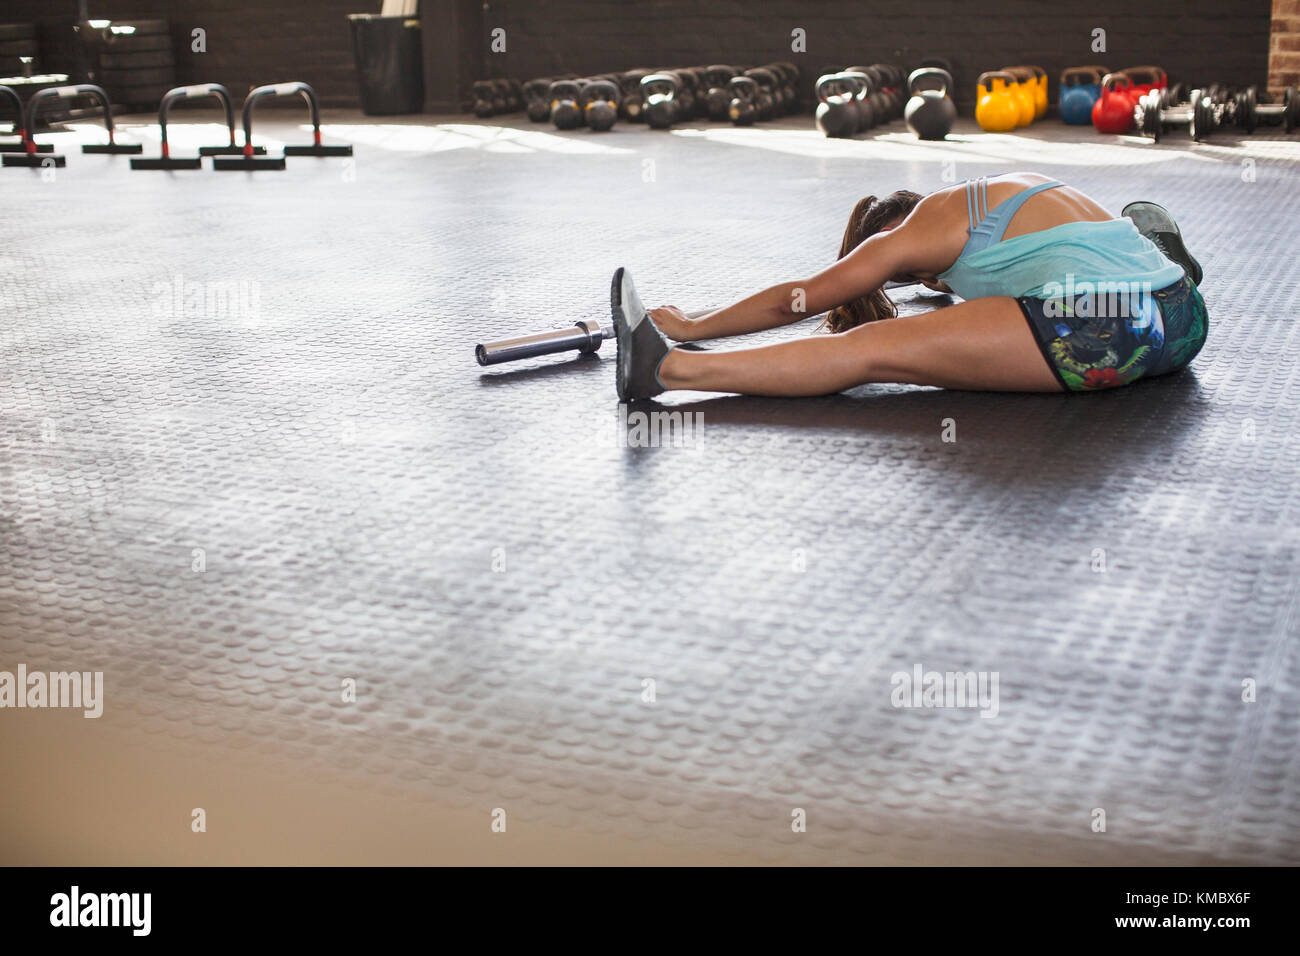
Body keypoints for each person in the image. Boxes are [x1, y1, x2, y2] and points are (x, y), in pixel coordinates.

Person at [612, 172, 1207, 399]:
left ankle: (666, 370)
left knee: (867, 352)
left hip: (1110, 333)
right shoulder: (1012, 189)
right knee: (1024, 301)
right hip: (1182, 321)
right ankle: (1160, 246)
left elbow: (798, 298)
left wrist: (695, 326)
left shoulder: (921, 228)